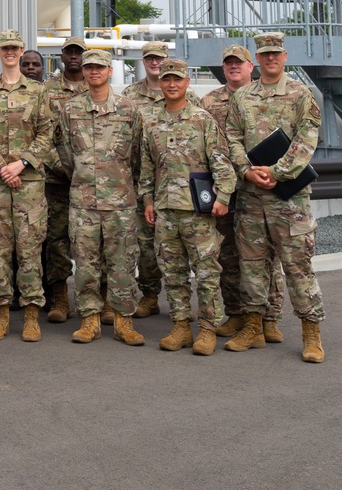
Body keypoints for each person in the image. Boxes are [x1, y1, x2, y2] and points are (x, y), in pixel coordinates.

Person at [225, 32, 326, 362]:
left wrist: (277, 172)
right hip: (252, 197)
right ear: (258, 56)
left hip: (288, 198)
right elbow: (233, 137)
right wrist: (246, 170)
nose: (270, 58)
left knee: (297, 268)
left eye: (276, 54)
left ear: (284, 56)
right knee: (252, 267)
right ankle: (253, 327)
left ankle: (311, 333)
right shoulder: (243, 97)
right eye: (264, 53)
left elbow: (306, 141)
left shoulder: (301, 95)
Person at [139, 57, 235, 355]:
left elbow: (221, 162)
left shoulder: (202, 119)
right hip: (166, 210)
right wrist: (148, 199)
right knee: (174, 272)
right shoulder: (151, 120)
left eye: (177, 79)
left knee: (206, 272)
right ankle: (181, 326)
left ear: (186, 82)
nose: (171, 84)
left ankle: (207, 328)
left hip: (197, 211)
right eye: (167, 79)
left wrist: (223, 198)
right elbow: (146, 165)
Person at [55, 51, 143, 346]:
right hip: (83, 203)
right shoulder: (71, 109)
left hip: (120, 202)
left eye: (99, 67)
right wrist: (83, 176)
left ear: (109, 71)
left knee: (122, 263)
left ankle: (123, 321)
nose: (94, 72)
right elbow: (66, 154)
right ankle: (89, 320)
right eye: (89, 67)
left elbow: (138, 156)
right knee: (86, 264)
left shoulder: (129, 109)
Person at [0, 31, 53, 342]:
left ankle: (31, 315)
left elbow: (47, 132)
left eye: (14, 48)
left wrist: (23, 163)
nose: (9, 53)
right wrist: (0, 167)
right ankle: (1, 313)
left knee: (30, 249)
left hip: (28, 182)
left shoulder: (37, 91)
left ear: (21, 51)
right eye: (4, 48)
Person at [202, 43, 286, 341]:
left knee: (267, 256)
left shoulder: (264, 96)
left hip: (262, 185)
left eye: (240, 62)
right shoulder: (209, 101)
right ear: (223, 68)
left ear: (252, 67)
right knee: (228, 254)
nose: (234, 66)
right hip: (225, 188)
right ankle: (237, 313)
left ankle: (270, 317)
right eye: (228, 63)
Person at [120, 40, 196, 319]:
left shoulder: (191, 99)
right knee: (146, 244)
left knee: (182, 247)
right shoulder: (129, 95)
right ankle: (150, 294)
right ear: (143, 61)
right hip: (143, 183)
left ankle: (186, 304)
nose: (155, 62)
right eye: (150, 58)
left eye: (160, 58)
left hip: (180, 187)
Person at [42, 36, 88, 322]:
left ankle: (98, 298)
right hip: (57, 182)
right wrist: (63, 167)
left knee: (92, 244)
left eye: (78, 52)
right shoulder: (47, 90)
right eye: (69, 52)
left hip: (92, 184)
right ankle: (60, 298)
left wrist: (83, 171)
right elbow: (41, 133)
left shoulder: (96, 88)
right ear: (62, 56)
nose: (74, 56)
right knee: (56, 241)